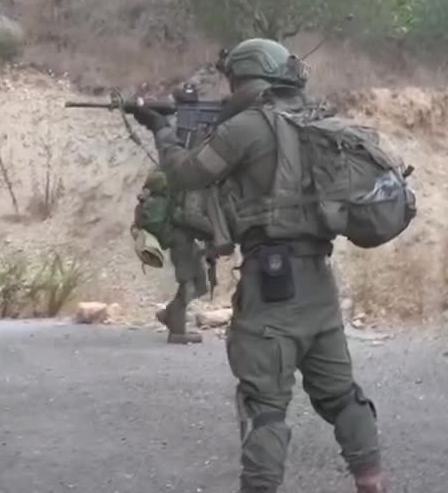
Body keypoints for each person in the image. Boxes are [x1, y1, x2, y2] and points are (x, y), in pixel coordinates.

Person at [130, 39, 387, 493]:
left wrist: (162, 130)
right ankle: (371, 480)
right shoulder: (317, 122)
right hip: (320, 284)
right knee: (342, 395)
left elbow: (187, 174)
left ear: (245, 78)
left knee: (264, 405)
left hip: (272, 286)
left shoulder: (247, 127)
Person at [133, 167, 208, 344]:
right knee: (189, 284)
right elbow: (185, 217)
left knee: (199, 284)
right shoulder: (171, 194)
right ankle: (177, 329)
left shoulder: (165, 187)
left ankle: (170, 314)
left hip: (182, 241)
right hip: (180, 242)